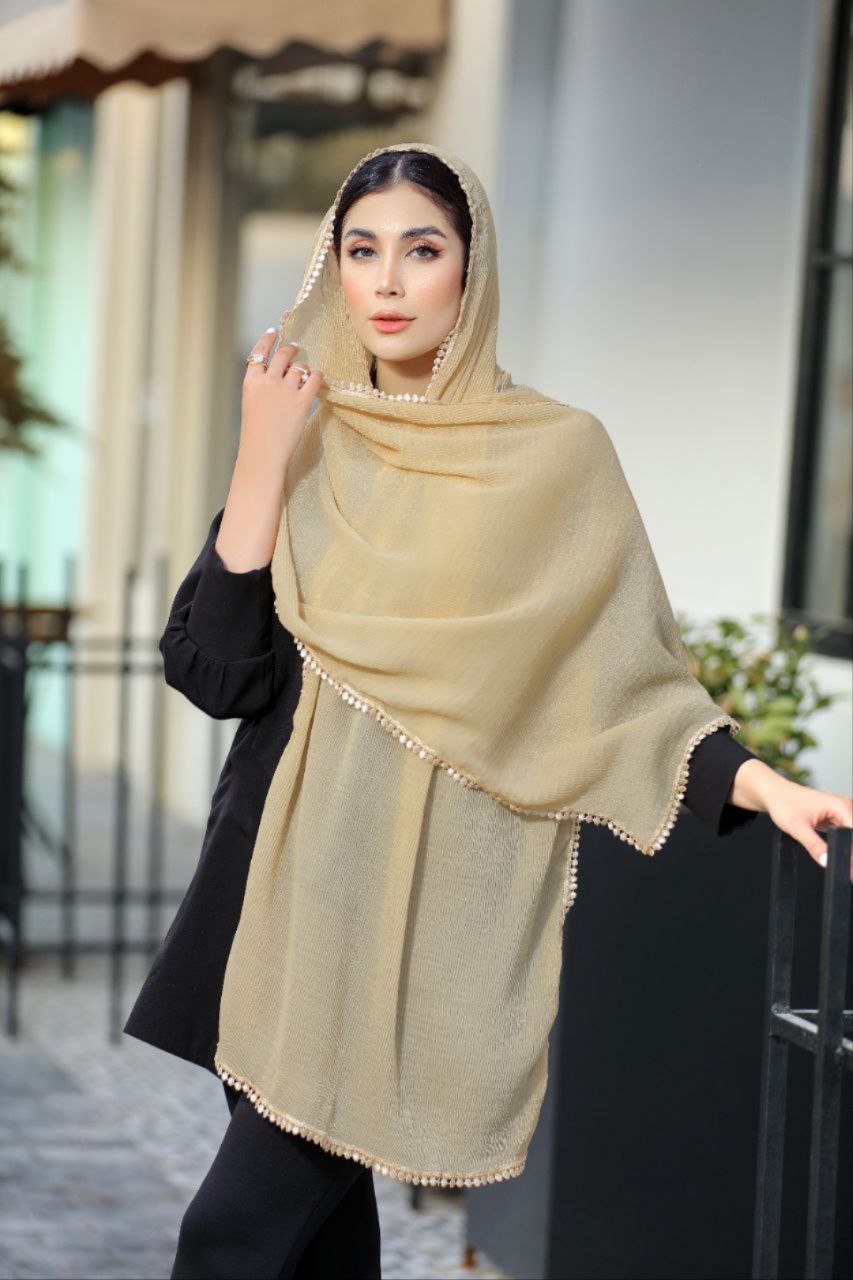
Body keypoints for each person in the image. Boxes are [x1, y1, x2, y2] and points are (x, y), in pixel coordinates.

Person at [124, 143, 852, 1280]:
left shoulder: (554, 457)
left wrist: (760, 783)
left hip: (416, 915)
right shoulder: (308, 434)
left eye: (422, 250)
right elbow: (217, 676)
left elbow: (621, 676)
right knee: (314, 1243)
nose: (387, 282)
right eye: (360, 251)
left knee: (233, 1236)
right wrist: (261, 461)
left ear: (473, 269)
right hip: (274, 891)